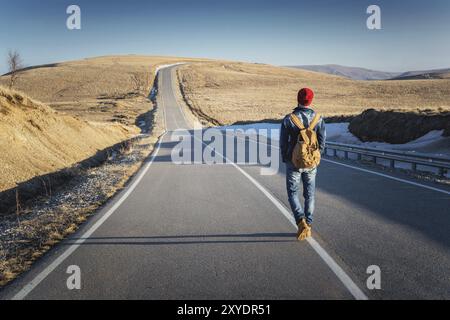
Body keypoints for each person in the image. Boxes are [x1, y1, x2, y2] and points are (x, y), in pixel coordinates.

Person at [280, 88, 326, 240]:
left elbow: (283, 142)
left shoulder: (289, 119)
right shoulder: (318, 118)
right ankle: (309, 224)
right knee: (310, 195)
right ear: (311, 100)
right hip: (311, 163)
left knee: (293, 193)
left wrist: (286, 158)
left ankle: (301, 222)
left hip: (293, 162)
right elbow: (322, 141)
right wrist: (316, 156)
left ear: (297, 99)